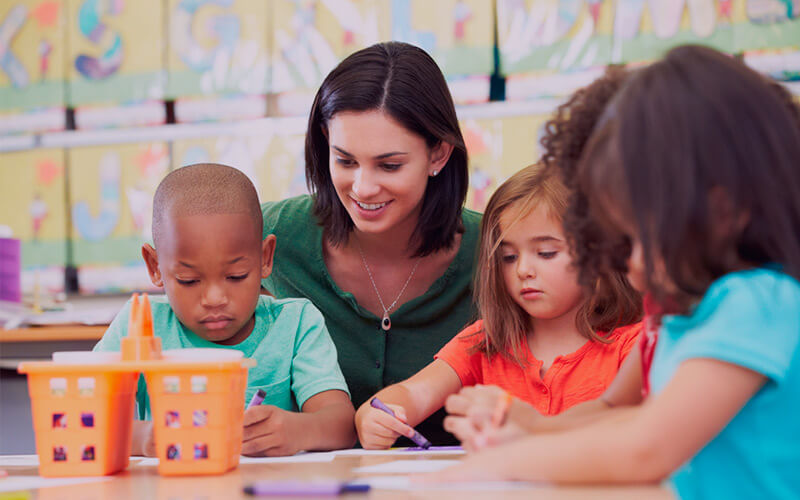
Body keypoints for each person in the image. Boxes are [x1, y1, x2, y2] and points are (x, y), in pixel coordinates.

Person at [428, 45, 800, 499]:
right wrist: (531, 428)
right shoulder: (682, 315)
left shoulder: (757, 303)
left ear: (721, 211)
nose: (632, 267)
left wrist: (507, 463)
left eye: (641, 240)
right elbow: (620, 413)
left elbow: (648, 446)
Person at [261, 42, 480, 445]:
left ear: (439, 154)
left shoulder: (498, 250)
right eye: (345, 160)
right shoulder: (272, 233)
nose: (362, 187)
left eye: (389, 165)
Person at [355, 164, 642, 449]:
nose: (523, 270)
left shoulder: (635, 346)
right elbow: (413, 394)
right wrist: (375, 416)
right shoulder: (486, 340)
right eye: (508, 257)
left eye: (546, 253)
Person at [95, 163, 355, 457]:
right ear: (155, 267)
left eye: (236, 276)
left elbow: (343, 425)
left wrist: (298, 431)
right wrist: (142, 438)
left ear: (265, 258)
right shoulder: (139, 325)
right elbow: (84, 418)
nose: (215, 298)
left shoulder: (296, 324)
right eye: (189, 280)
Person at [444, 66, 645, 446]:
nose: (608, 251)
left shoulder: (744, 309)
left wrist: (521, 440)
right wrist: (527, 427)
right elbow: (609, 409)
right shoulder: (665, 320)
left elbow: (647, 447)